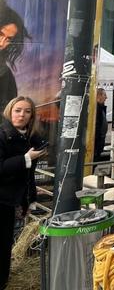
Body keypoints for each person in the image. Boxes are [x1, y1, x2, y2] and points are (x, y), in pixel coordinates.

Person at [0, 96, 45, 288]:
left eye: (27, 111)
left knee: (5, 243)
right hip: (1, 198)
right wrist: (26, 158)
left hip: (12, 199)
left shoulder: (28, 137)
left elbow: (29, 175)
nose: (22, 115)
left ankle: (3, 280)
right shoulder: (2, 134)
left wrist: (30, 198)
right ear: (10, 111)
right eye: (18, 110)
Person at [0, 0, 29, 110]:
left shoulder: (5, 74)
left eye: (8, 39)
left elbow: (7, 112)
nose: (2, 43)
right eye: (0, 34)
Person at [94, 88, 109, 162]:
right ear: (99, 96)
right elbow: (96, 126)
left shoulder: (100, 108)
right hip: (96, 143)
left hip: (99, 142)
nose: (106, 97)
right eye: (104, 95)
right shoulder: (96, 108)